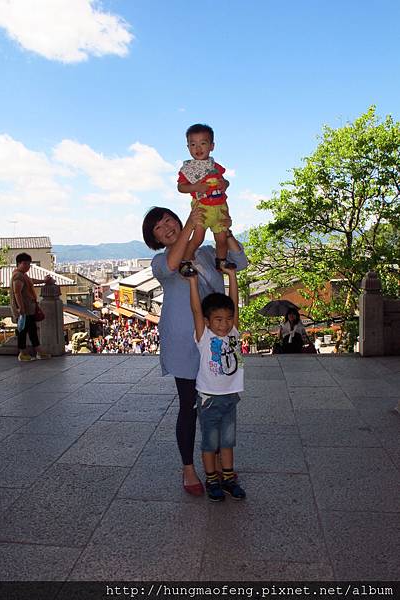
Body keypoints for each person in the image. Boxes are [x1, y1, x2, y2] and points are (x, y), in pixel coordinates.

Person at [142, 205, 248, 496]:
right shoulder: (160, 262)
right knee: (189, 405)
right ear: (155, 239)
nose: (167, 228)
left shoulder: (205, 254)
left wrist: (225, 230)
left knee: (217, 404)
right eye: (159, 228)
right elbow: (176, 263)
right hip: (183, 340)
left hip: (216, 338)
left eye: (168, 220)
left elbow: (240, 261)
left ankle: (217, 467)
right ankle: (189, 467)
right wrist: (193, 220)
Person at [185, 266, 246, 502]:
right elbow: (195, 310)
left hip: (231, 396)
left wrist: (232, 276)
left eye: (228, 319)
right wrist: (192, 282)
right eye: (218, 320)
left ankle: (228, 478)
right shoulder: (205, 336)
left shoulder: (234, 333)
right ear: (208, 322)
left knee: (228, 441)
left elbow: (234, 302)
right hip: (209, 398)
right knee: (210, 442)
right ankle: (212, 479)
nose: (224, 324)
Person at [177, 124, 236, 275]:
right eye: (193, 144)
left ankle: (221, 261)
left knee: (222, 239)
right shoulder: (188, 169)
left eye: (203, 143)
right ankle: (185, 261)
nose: (198, 148)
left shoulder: (214, 166)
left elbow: (225, 181)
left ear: (212, 146)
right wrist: (195, 187)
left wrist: (225, 184)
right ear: (188, 147)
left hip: (220, 208)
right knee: (198, 238)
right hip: (202, 207)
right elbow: (181, 187)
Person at [10, 252, 52, 362]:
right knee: (24, 331)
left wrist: (43, 281)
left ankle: (37, 351)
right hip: (25, 309)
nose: (27, 266)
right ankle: (24, 352)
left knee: (31, 330)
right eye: (25, 263)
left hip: (29, 308)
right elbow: (17, 292)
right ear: (19, 263)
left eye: (29, 264)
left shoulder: (23, 275)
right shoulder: (18, 275)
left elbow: (30, 281)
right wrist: (21, 308)